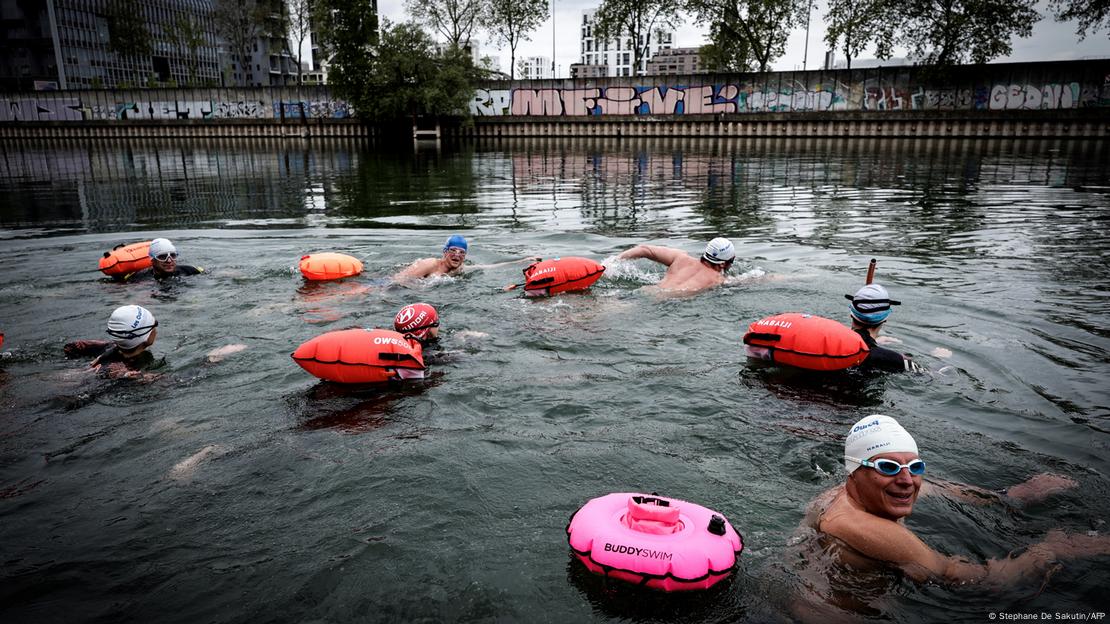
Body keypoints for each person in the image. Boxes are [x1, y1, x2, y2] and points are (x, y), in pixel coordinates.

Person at [804, 414, 1110, 586]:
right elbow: (977, 582)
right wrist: (1053, 549)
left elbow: (937, 488)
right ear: (854, 472)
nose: (907, 480)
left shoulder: (840, 493)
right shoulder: (871, 530)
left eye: (916, 467)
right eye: (888, 467)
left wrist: (1012, 496)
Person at [64, 305, 161, 376]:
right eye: (154, 324)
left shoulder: (107, 346)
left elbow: (69, 347)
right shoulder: (128, 373)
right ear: (145, 337)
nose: (156, 329)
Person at [393, 235, 539, 282]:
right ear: (445, 252)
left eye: (461, 252)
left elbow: (489, 267)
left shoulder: (459, 270)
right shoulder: (430, 264)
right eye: (453, 250)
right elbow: (399, 280)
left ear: (465, 256)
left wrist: (522, 261)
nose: (457, 254)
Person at [845, 283, 922, 372]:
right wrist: (939, 357)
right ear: (885, 319)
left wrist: (874, 342)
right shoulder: (896, 361)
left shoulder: (832, 344)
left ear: (851, 314)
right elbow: (932, 376)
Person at [616, 237, 735, 292]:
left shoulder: (680, 257)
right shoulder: (718, 280)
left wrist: (613, 263)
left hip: (646, 291)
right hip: (668, 302)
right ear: (723, 264)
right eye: (732, 261)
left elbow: (644, 250)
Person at [120, 238, 204, 282]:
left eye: (173, 255)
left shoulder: (190, 271)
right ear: (152, 259)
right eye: (163, 257)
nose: (169, 260)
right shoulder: (138, 278)